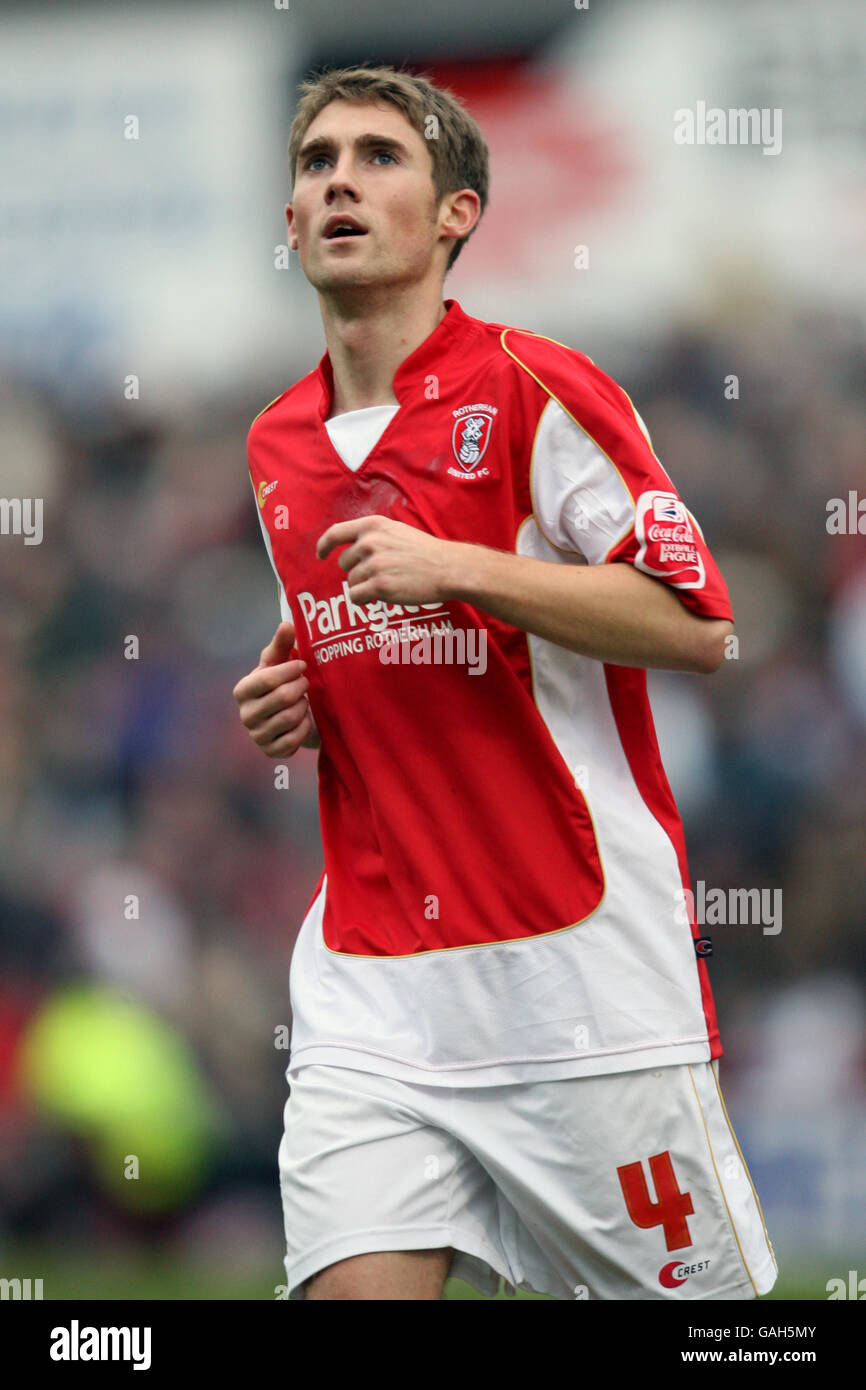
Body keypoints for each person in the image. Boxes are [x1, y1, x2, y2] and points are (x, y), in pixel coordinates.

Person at [233, 63, 777, 1301]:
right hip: (374, 993)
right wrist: (310, 702)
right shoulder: (274, 443)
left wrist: (459, 568)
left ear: (455, 216)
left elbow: (696, 626)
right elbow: (385, 649)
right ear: (289, 222)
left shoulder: (533, 386)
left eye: (379, 159)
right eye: (316, 163)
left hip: (574, 982)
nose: (338, 184)